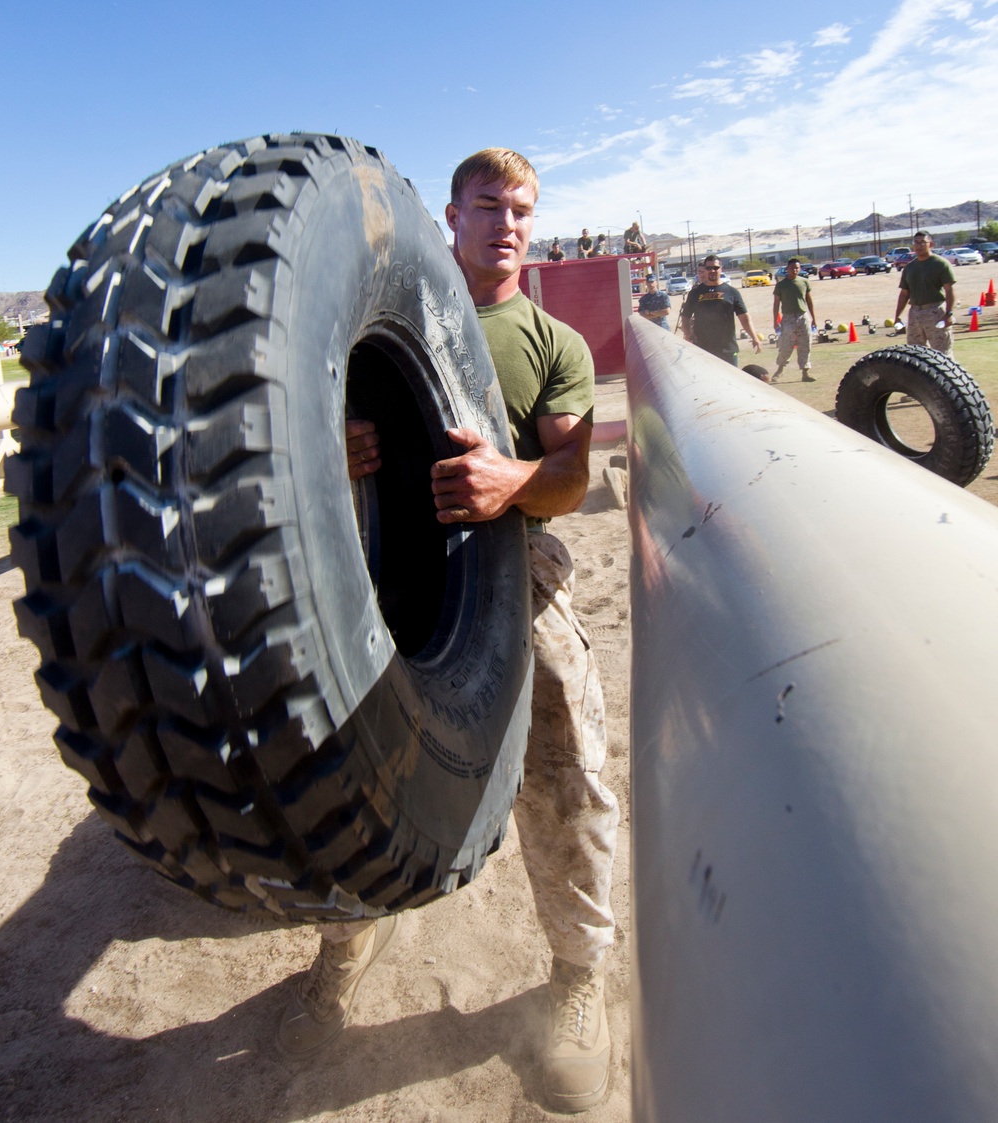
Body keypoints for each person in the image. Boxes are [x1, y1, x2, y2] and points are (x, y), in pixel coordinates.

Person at [279, 149, 619, 1115]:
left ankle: (577, 973)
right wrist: (334, 439)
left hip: (517, 567)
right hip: (380, 553)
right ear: (451, 215)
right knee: (347, 757)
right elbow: (301, 431)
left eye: (520, 210)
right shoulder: (370, 312)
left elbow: (571, 477)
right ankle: (351, 937)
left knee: (567, 759)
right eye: (486, 206)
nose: (504, 224)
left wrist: (512, 483)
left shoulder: (554, 344)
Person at [679, 254, 762, 366]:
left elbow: (744, 317)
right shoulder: (695, 293)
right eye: (709, 268)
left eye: (715, 268)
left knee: (731, 381)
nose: (712, 270)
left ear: (721, 269)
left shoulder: (732, 292)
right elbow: (685, 316)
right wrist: (688, 334)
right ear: (705, 270)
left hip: (727, 349)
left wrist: (754, 337)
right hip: (702, 349)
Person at [894, 230, 956, 356]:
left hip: (935, 311)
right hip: (915, 313)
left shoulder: (941, 264)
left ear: (930, 244)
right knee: (916, 355)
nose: (918, 246)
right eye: (916, 243)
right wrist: (897, 316)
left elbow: (950, 291)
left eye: (922, 242)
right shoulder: (910, 267)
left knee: (942, 354)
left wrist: (949, 313)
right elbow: (904, 293)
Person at [772, 257, 817, 382]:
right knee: (786, 345)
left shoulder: (804, 282)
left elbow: (809, 300)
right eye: (792, 268)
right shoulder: (781, 285)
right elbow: (776, 304)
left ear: (800, 268)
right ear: (787, 269)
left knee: (805, 344)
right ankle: (780, 369)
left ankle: (805, 372)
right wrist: (775, 320)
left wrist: (813, 318)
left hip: (803, 316)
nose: (794, 270)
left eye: (797, 268)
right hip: (788, 318)